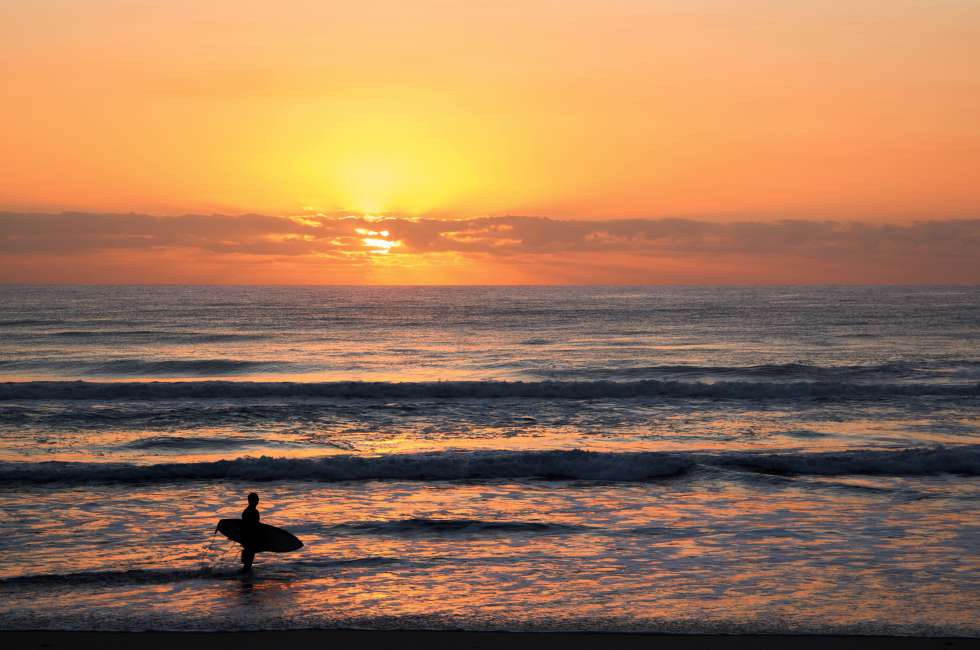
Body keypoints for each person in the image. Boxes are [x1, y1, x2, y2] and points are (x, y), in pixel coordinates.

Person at [240, 492, 260, 571]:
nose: (258, 501)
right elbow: (255, 526)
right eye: (257, 499)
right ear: (252, 501)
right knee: (248, 564)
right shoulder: (254, 512)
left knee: (246, 564)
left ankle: (244, 579)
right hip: (250, 539)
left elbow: (243, 526)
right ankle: (245, 579)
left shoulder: (246, 511)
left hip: (245, 539)